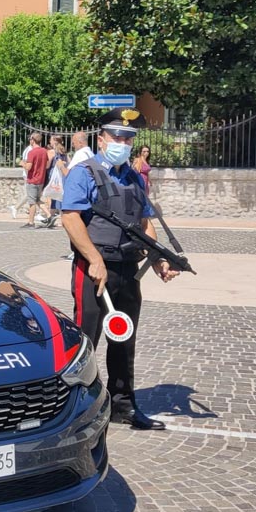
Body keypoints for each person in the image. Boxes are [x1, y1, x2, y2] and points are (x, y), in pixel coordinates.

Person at [61, 108, 179, 431]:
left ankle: (123, 405)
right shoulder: (83, 173)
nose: (123, 144)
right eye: (117, 137)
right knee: (86, 339)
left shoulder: (133, 178)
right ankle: (74, 408)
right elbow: (70, 218)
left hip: (128, 270)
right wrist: (94, 259)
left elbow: (144, 223)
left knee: (124, 339)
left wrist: (158, 259)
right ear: (101, 139)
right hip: (93, 271)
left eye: (128, 139)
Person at [20, 132, 49, 228]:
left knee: (32, 202)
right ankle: (49, 215)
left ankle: (31, 222)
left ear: (33, 140)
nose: (29, 141)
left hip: (32, 179)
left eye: (30, 139)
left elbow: (28, 167)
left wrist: (22, 164)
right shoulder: (44, 151)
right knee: (37, 200)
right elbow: (47, 165)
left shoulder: (31, 152)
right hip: (41, 179)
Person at [41, 136, 69, 229]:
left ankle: (61, 220)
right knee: (57, 196)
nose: (50, 141)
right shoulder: (63, 151)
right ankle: (51, 217)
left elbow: (47, 165)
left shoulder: (52, 152)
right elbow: (69, 162)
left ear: (54, 141)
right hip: (62, 175)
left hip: (54, 176)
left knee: (55, 196)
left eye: (51, 140)